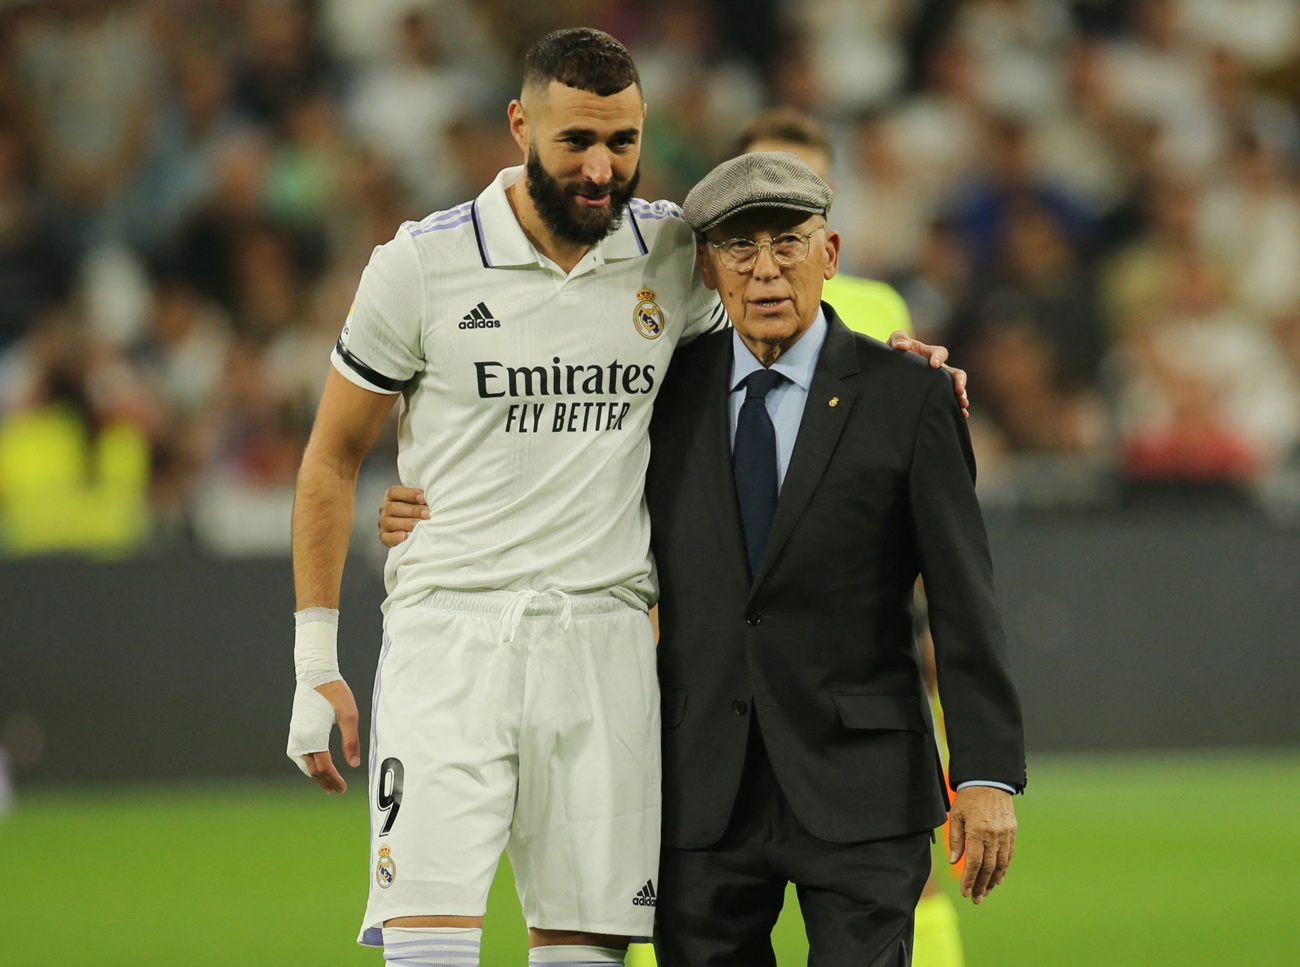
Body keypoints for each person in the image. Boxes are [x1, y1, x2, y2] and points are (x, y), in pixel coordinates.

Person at [295, 28, 959, 967]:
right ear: (520, 124)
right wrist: (313, 659)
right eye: (576, 141)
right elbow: (330, 455)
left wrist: (892, 373)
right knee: (428, 950)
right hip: (453, 636)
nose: (602, 169)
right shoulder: (420, 264)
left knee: (585, 951)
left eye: (623, 142)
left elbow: (778, 318)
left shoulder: (671, 250)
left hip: (605, 643)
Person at [644, 152, 1025, 965]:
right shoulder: (657, 397)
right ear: (708, 268)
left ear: (831, 253)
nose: (766, 269)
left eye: (788, 242)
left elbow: (963, 595)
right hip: (702, 785)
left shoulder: (910, 394)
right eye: (740, 247)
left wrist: (986, 772)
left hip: (864, 784)